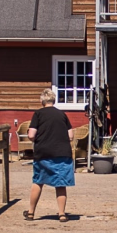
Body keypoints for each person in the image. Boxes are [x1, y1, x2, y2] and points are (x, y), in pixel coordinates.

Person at [24, 87, 76, 221]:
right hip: (62, 152)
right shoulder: (62, 115)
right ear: (54, 100)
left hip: (43, 152)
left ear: (42, 101)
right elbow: (70, 136)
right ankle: (62, 214)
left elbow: (31, 134)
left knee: (38, 181)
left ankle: (31, 212)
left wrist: (36, 138)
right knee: (61, 183)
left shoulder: (38, 114)